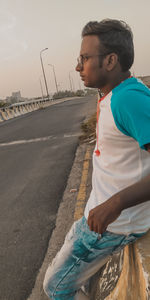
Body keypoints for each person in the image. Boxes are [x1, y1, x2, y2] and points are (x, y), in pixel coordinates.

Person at [43, 19, 150, 300]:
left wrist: (114, 204)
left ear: (111, 60)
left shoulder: (128, 100)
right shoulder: (112, 95)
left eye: (85, 58)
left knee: (55, 286)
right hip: (99, 216)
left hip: (115, 224)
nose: (78, 66)